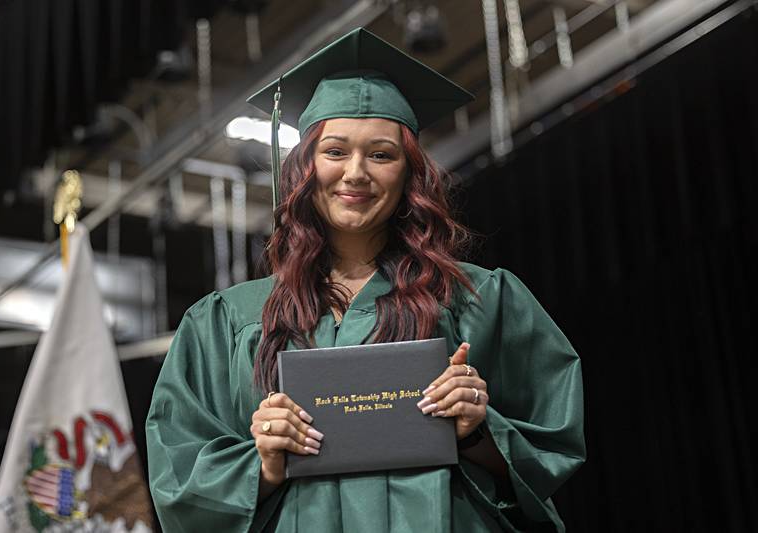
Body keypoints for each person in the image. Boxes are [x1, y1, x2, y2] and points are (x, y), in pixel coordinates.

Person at [146, 28, 585, 533]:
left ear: (409, 175)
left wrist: (475, 432)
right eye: (335, 151)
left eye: (381, 154)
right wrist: (264, 464)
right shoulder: (224, 323)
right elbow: (178, 475)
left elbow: (551, 446)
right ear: (305, 168)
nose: (356, 173)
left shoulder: (481, 299)